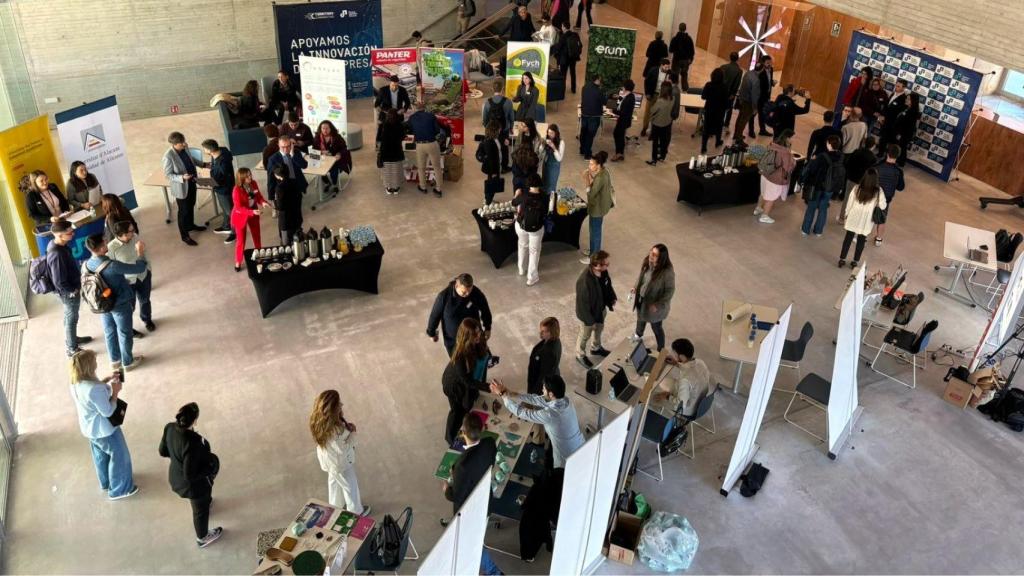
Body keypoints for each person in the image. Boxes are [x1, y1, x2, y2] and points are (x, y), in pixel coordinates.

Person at [69, 349, 137, 500]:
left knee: (100, 456)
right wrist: (115, 392)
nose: (96, 363)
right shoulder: (94, 389)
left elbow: (91, 396)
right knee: (119, 456)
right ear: (88, 366)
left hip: (89, 429)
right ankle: (120, 489)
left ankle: (106, 482)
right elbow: (108, 411)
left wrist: (105, 380)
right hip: (104, 430)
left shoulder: (75, 383)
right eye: (94, 361)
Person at [440, 413, 502, 575]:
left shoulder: (462, 467)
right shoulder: (489, 444)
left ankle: (493, 572)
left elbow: (456, 496)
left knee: (472, 542)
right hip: (485, 501)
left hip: (470, 512)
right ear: (482, 429)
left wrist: (447, 489)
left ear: (462, 431)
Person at [159, 402, 223, 548]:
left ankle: (206, 502)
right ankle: (202, 537)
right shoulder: (193, 442)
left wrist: (178, 458)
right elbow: (190, 475)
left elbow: (162, 451)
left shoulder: (169, 427)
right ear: (194, 421)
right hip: (192, 487)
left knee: (202, 503)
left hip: (175, 477)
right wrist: (210, 469)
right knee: (200, 511)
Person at [85, 233, 148, 370]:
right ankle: (128, 362)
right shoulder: (112, 266)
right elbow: (139, 268)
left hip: (103, 304)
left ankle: (115, 360)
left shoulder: (87, 264)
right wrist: (140, 253)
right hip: (120, 304)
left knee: (109, 331)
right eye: (105, 242)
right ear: (101, 248)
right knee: (125, 332)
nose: (107, 242)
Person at [492, 374, 583, 467]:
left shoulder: (550, 414)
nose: (542, 390)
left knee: (557, 475)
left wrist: (503, 395)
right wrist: (509, 393)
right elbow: (536, 399)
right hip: (579, 444)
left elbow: (521, 412)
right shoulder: (565, 400)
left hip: (566, 456)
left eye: (544, 389)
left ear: (551, 394)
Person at [309, 390, 370, 515]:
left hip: (330, 461)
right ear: (332, 408)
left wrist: (347, 430)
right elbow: (342, 448)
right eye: (338, 404)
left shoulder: (320, 423)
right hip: (340, 463)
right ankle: (356, 512)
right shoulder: (334, 430)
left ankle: (335, 508)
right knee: (350, 486)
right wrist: (352, 433)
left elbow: (336, 442)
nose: (341, 405)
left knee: (335, 484)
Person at [441, 319, 492, 445]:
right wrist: (489, 387)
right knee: (457, 410)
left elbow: (485, 356)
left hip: (466, 381)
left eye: (478, 332)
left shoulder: (479, 341)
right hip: (453, 385)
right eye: (475, 334)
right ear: (467, 337)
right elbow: (467, 381)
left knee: (467, 406)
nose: (478, 336)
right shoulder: (460, 356)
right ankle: (451, 437)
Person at [47, 221, 93, 356]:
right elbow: (59, 281)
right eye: (69, 233)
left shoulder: (58, 244)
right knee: (71, 318)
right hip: (68, 293)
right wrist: (73, 291)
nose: (73, 234)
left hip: (69, 289)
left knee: (69, 317)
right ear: (60, 235)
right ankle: (72, 348)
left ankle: (72, 339)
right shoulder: (57, 254)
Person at [427, 273, 493, 357]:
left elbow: (485, 309)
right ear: (456, 285)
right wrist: (431, 333)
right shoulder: (444, 297)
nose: (467, 294)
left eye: (469, 291)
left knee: (482, 360)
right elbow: (434, 316)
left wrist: (488, 327)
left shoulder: (476, 293)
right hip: (454, 342)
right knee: (460, 367)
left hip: (475, 337)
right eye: (464, 292)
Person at [107, 222, 155, 333]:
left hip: (143, 276)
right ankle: (129, 328)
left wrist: (148, 268)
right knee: (129, 307)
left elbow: (144, 251)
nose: (134, 232)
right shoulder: (111, 248)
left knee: (145, 300)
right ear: (122, 234)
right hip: (128, 282)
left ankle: (147, 319)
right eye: (131, 231)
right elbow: (111, 268)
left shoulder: (135, 237)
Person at [161, 132, 205, 246]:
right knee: (183, 212)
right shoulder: (168, 156)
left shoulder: (184, 148)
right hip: (181, 187)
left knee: (191, 205)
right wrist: (182, 177)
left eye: (184, 141)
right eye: (181, 143)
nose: (184, 144)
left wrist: (204, 164)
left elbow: (192, 160)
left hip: (191, 182)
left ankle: (191, 225)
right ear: (174, 144)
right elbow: (168, 175)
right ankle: (185, 236)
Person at [630, 244, 675, 352]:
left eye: (655, 254)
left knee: (656, 327)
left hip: (655, 307)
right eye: (651, 251)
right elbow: (641, 277)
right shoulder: (647, 261)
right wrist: (635, 287)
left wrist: (658, 304)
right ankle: (638, 335)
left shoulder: (667, 272)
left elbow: (670, 291)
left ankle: (661, 348)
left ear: (661, 258)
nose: (651, 255)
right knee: (640, 319)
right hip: (642, 300)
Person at [838, 168, 886, 268]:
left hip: (853, 217)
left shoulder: (857, 188)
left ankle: (842, 259)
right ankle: (855, 261)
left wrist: (846, 214)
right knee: (861, 240)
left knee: (848, 238)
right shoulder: (878, 191)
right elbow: (883, 206)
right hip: (866, 221)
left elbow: (849, 203)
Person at [575, 250, 615, 368]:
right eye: (606, 264)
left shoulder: (603, 272)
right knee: (584, 335)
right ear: (596, 266)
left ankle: (596, 348)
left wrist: (612, 297)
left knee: (599, 329)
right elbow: (582, 305)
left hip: (600, 309)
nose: (608, 266)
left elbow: (608, 286)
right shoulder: (584, 281)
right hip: (588, 315)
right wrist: (589, 321)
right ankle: (580, 355)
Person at [799, 135, 846, 237]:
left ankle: (805, 229)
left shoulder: (822, 156)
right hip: (830, 187)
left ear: (829, 144)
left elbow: (812, 170)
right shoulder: (841, 157)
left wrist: (812, 160)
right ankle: (818, 231)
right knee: (823, 208)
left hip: (817, 186)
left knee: (811, 207)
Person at [655, 338, 711, 417]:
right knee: (666, 382)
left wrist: (666, 396)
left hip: (689, 409)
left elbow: (681, 404)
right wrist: (676, 363)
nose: (673, 355)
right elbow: (691, 369)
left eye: (675, 354)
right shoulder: (700, 362)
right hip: (700, 398)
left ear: (681, 356)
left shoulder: (685, 380)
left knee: (658, 384)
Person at [754, 129, 797, 224]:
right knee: (771, 198)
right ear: (787, 139)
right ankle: (764, 216)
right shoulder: (785, 152)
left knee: (763, 193)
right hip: (775, 179)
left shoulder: (772, 145)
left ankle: (758, 208)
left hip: (765, 174)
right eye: (793, 137)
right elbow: (788, 167)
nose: (795, 139)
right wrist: (793, 161)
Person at [231, 167, 269, 271]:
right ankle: (238, 261)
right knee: (241, 240)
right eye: (247, 176)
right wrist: (251, 212)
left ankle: (259, 255)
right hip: (241, 215)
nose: (250, 177)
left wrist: (263, 202)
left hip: (253, 211)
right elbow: (238, 207)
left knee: (257, 235)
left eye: (250, 174)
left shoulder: (254, 183)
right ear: (242, 178)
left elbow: (259, 197)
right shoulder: (236, 190)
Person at [513, 173, 547, 286]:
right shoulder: (544, 196)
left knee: (522, 245)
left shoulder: (523, 195)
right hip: (536, 228)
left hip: (521, 225)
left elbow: (514, 203)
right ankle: (531, 277)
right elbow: (546, 212)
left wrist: (517, 194)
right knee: (534, 251)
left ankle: (521, 268)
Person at [200, 139, 235, 242]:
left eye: (205, 149)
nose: (204, 150)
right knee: (225, 209)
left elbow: (220, 180)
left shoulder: (222, 164)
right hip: (222, 189)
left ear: (210, 150)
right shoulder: (222, 151)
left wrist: (206, 182)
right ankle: (226, 226)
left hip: (224, 190)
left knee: (230, 212)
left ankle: (235, 232)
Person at [580, 151, 613, 263]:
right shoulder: (604, 172)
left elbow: (591, 194)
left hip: (597, 209)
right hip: (601, 206)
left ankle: (594, 256)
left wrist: (587, 180)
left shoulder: (599, 178)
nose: (589, 166)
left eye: (591, 164)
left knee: (595, 232)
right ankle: (593, 250)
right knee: (594, 229)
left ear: (598, 165)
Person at [409, 101, 444, 197]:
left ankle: (423, 187)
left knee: (421, 167)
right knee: (436, 167)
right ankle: (438, 189)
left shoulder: (412, 118)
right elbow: (437, 130)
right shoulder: (431, 116)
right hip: (432, 143)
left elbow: (410, 129)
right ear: (424, 108)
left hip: (420, 145)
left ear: (415, 108)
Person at [873, 144, 905, 246]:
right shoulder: (898, 171)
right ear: (898, 155)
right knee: (882, 218)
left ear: (887, 153)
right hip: (886, 199)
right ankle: (879, 239)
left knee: (868, 215)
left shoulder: (877, 167)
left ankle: (862, 237)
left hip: (873, 195)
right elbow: (901, 187)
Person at [265, 135, 308, 204]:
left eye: (288, 146)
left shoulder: (296, 152)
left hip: (296, 184)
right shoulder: (273, 159)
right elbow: (270, 178)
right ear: (278, 145)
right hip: (283, 186)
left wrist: (293, 155)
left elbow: (304, 165)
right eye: (283, 147)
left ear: (291, 145)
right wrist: (271, 196)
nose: (286, 149)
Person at [482, 80, 514, 172]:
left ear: (492, 89)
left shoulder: (487, 102)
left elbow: (484, 119)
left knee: (492, 148)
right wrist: (511, 127)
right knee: (504, 148)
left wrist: (488, 129)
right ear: (503, 89)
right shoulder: (508, 102)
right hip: (504, 129)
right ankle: (504, 167)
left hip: (491, 130)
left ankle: (493, 167)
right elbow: (511, 117)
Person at [527, 317, 561, 395]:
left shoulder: (550, 352)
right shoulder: (553, 340)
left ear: (551, 333)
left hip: (539, 385)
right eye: (541, 330)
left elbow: (544, 375)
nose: (540, 333)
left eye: (544, 331)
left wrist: (534, 392)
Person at [271, 165, 303, 245]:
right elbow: (300, 197)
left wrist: (274, 205)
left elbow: (281, 206)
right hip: (297, 216)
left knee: (286, 243)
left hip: (286, 221)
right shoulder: (294, 181)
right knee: (298, 240)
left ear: (277, 175)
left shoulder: (280, 188)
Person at [313, 120, 349, 190]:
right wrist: (321, 152)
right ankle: (327, 182)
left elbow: (344, 148)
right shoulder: (317, 138)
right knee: (319, 168)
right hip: (322, 159)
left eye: (327, 128)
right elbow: (314, 150)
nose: (325, 130)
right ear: (320, 129)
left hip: (335, 159)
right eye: (323, 128)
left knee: (334, 169)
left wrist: (339, 154)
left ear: (331, 128)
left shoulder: (337, 137)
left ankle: (334, 184)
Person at [699, 69, 729, 154]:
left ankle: (704, 147)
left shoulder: (708, 85)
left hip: (709, 110)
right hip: (720, 111)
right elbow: (726, 101)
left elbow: (703, 97)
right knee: (719, 127)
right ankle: (717, 142)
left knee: (706, 128)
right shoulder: (724, 87)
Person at [379, 109, 407, 195]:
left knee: (387, 171)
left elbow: (380, 139)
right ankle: (396, 188)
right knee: (396, 170)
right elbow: (403, 136)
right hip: (397, 152)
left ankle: (389, 187)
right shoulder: (400, 125)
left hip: (386, 152)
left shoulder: (383, 125)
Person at [646, 82, 675, 166]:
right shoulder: (673, 98)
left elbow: (652, 110)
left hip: (657, 123)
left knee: (655, 142)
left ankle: (654, 160)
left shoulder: (660, 101)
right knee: (663, 141)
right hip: (667, 122)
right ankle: (662, 157)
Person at [843, 135, 878, 202]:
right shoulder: (873, 158)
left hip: (851, 178)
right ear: (873, 146)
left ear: (864, 143)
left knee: (847, 198)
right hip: (861, 182)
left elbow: (848, 163)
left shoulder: (856, 151)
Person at [641, 59, 671, 137]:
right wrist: (647, 93)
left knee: (657, 114)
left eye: (668, 67)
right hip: (652, 94)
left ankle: (653, 131)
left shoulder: (669, 73)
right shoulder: (653, 70)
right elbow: (646, 81)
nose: (667, 69)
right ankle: (644, 128)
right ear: (661, 65)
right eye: (666, 67)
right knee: (648, 112)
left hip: (661, 96)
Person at [878, 79, 908, 154]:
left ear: (903, 88)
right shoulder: (893, 94)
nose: (896, 87)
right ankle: (880, 154)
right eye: (896, 85)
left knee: (891, 142)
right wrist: (882, 116)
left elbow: (899, 113)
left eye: (898, 86)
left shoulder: (904, 99)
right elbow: (887, 106)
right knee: (883, 139)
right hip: (885, 122)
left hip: (893, 125)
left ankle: (889, 158)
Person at [733, 61, 762, 140]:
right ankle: (738, 138)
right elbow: (754, 95)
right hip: (748, 103)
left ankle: (736, 134)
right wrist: (755, 107)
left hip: (742, 99)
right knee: (744, 120)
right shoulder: (756, 80)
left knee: (740, 118)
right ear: (761, 70)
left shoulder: (748, 73)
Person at [611, 80, 637, 162]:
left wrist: (613, 111)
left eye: (623, 86)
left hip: (623, 120)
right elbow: (623, 101)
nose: (622, 88)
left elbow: (623, 112)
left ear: (626, 87)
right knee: (619, 135)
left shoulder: (629, 98)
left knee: (617, 134)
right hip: (624, 120)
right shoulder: (630, 95)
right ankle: (620, 153)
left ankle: (619, 153)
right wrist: (619, 97)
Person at [579, 75, 604, 160]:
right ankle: (587, 154)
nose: (600, 82)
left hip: (584, 113)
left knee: (583, 132)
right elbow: (603, 101)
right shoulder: (598, 91)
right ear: (597, 80)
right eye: (600, 80)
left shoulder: (584, 87)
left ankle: (582, 149)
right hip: (594, 115)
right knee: (590, 135)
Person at [895, 92, 921, 166]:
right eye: (907, 98)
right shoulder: (907, 108)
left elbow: (908, 126)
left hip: (904, 134)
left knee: (902, 148)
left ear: (913, 101)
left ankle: (901, 163)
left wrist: (900, 134)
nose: (906, 100)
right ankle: (899, 161)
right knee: (901, 147)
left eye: (908, 99)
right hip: (901, 133)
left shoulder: (913, 111)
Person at [719, 52, 743, 133]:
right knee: (729, 109)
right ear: (737, 59)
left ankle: (719, 121)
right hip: (730, 94)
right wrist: (733, 94)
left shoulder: (723, 67)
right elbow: (737, 83)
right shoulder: (739, 71)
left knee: (720, 107)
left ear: (730, 57)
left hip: (721, 91)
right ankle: (726, 124)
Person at [753, 55, 776, 137]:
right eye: (767, 63)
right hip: (759, 96)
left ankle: (762, 130)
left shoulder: (771, 70)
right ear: (763, 63)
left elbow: (768, 80)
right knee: (754, 113)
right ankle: (751, 130)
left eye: (770, 63)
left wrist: (772, 83)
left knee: (762, 113)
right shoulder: (760, 71)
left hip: (766, 96)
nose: (769, 64)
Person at [557, 21, 582, 94]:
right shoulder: (575, 34)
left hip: (564, 59)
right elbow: (580, 45)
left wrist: (558, 61)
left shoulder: (562, 37)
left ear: (564, 27)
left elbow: (559, 49)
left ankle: (562, 90)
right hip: (573, 58)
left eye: (562, 26)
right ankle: (573, 89)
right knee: (573, 73)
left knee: (563, 75)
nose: (561, 27)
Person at [668, 23, 695, 89]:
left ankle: (674, 88)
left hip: (676, 59)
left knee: (675, 74)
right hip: (686, 60)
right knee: (684, 74)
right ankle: (685, 89)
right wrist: (690, 59)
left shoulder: (675, 39)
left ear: (679, 28)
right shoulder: (689, 39)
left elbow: (671, 50)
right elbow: (692, 51)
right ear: (685, 29)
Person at [541, 124, 564, 193]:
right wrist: (542, 144)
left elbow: (559, 158)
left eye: (552, 133)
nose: (549, 135)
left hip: (554, 167)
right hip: (546, 164)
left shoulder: (561, 142)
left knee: (551, 186)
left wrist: (554, 147)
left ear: (556, 133)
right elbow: (541, 152)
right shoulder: (546, 139)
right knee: (544, 183)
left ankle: (550, 201)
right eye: (548, 132)